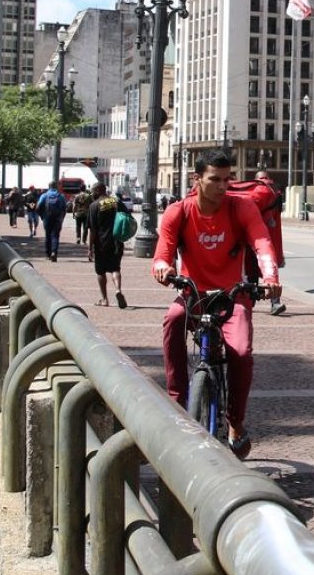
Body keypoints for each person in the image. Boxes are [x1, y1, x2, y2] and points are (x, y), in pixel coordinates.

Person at [152, 150, 281, 460]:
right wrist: (161, 267)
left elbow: (262, 243)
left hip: (232, 297)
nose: (223, 186)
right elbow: (162, 252)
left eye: (227, 179)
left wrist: (269, 276)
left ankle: (235, 422)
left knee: (241, 351)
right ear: (197, 180)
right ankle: (177, 400)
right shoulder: (178, 212)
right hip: (193, 295)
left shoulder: (242, 208)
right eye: (215, 180)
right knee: (172, 320)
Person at [252, 170, 288, 315]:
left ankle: (273, 302)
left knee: (259, 273)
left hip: (259, 242)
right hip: (262, 242)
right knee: (267, 272)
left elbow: (276, 227)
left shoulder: (272, 196)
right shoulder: (274, 195)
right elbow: (276, 228)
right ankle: (273, 302)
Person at [87, 182, 128, 308]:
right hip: (117, 241)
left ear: (99, 190)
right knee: (115, 268)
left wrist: (90, 248)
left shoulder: (94, 206)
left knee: (100, 271)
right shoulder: (117, 202)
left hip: (101, 242)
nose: (92, 193)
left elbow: (92, 230)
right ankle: (118, 290)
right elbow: (127, 218)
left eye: (93, 191)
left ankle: (104, 299)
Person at [35, 181, 69, 261]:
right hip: (57, 218)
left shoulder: (44, 196)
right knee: (55, 236)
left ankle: (48, 254)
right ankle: (54, 252)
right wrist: (61, 218)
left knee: (48, 235)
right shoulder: (61, 196)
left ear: (49, 186)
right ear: (56, 186)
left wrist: (42, 216)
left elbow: (38, 207)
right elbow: (64, 208)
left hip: (47, 218)